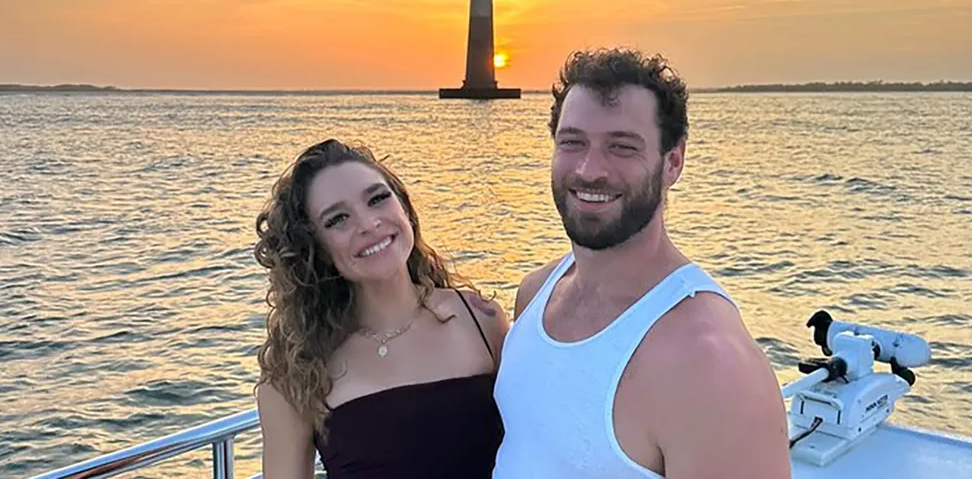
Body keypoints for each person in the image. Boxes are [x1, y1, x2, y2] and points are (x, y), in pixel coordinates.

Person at [491, 48, 791, 479]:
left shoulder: (709, 362)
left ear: (673, 162)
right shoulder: (536, 295)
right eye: (572, 142)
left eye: (622, 147)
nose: (590, 169)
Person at [253, 139, 508, 479]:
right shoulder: (297, 369)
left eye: (377, 199)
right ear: (314, 247)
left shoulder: (481, 320)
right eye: (337, 219)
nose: (368, 224)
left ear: (403, 206)